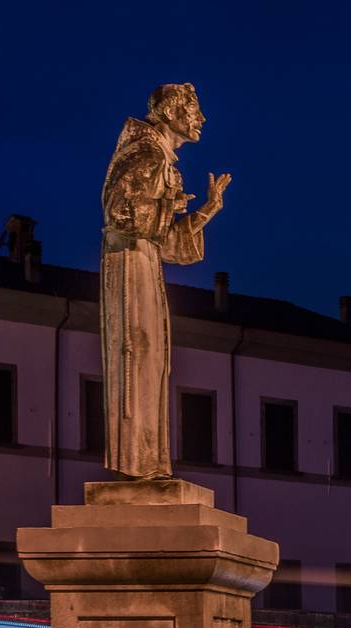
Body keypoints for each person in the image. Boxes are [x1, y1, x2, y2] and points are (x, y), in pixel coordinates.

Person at [100, 83, 230, 479]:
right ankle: (134, 466)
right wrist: (165, 204)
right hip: (129, 267)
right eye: (194, 109)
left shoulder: (160, 158)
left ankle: (148, 463)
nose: (201, 119)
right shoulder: (145, 153)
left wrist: (206, 210)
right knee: (137, 353)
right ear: (172, 112)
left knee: (152, 360)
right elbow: (121, 214)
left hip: (145, 263)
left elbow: (167, 242)